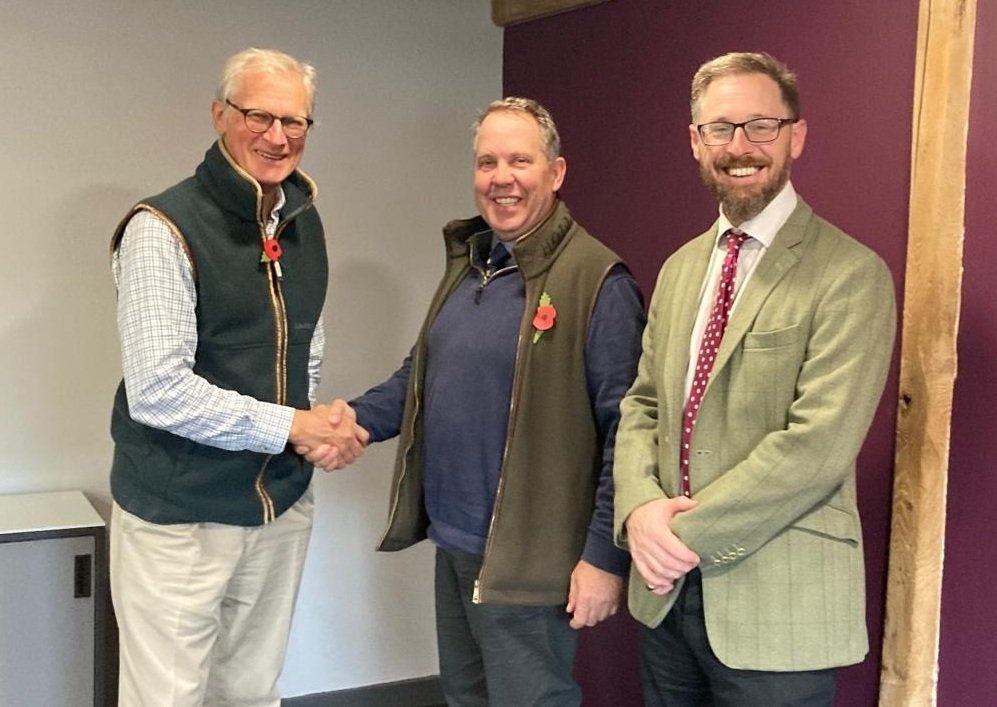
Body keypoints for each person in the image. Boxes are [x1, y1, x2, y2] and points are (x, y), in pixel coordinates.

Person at [316, 97, 645, 706]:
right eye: (487, 162)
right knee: (467, 700)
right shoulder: (472, 266)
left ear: (557, 171)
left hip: (532, 561)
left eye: (520, 160)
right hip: (458, 543)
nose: (502, 178)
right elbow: (423, 375)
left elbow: (627, 432)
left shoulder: (598, 282)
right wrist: (352, 420)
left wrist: (605, 559)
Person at [613, 52, 897, 706]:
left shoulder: (850, 274)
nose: (739, 147)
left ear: (796, 135)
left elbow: (815, 446)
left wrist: (674, 537)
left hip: (779, 611)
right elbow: (643, 406)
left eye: (760, 126)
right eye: (720, 128)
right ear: (694, 142)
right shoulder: (681, 269)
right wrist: (636, 511)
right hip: (665, 602)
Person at [108, 47, 367, 707]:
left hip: (278, 508)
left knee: (252, 693)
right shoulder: (160, 228)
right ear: (221, 114)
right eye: (260, 115)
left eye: (296, 121)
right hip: (181, 519)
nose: (278, 136)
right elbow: (159, 390)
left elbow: (303, 349)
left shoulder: (303, 223)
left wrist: (315, 431)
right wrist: (292, 425)